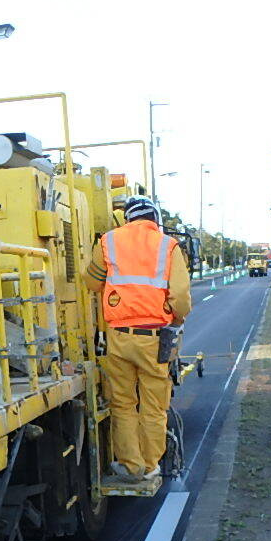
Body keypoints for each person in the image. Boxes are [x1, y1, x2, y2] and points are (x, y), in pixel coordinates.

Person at [82, 195, 191, 483]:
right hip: (154, 339)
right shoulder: (168, 246)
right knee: (154, 405)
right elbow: (179, 295)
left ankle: (130, 466)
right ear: (155, 220)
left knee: (123, 403)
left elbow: (92, 281)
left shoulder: (108, 241)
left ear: (128, 218)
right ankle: (150, 465)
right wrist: (177, 319)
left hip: (118, 337)